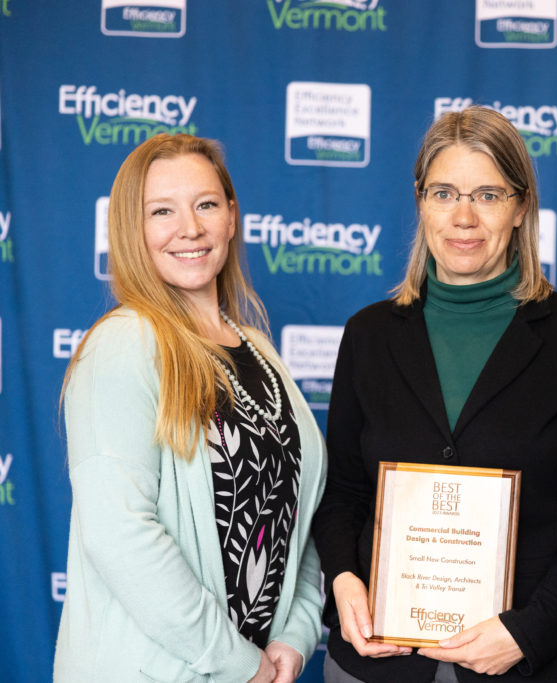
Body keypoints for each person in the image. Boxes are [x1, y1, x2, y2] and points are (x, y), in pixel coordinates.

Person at [312, 106, 557, 683]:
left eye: (488, 194)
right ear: (420, 202)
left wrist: (528, 632)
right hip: (378, 664)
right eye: (444, 193)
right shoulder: (369, 334)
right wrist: (342, 580)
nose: (464, 216)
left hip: (532, 664)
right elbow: (340, 494)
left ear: (520, 207)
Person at [54, 134, 326, 683]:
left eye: (206, 204)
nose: (191, 228)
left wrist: (292, 638)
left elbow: (298, 518)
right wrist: (238, 662)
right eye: (162, 211)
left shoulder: (260, 351)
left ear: (231, 217)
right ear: (133, 230)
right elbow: (119, 533)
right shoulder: (124, 345)